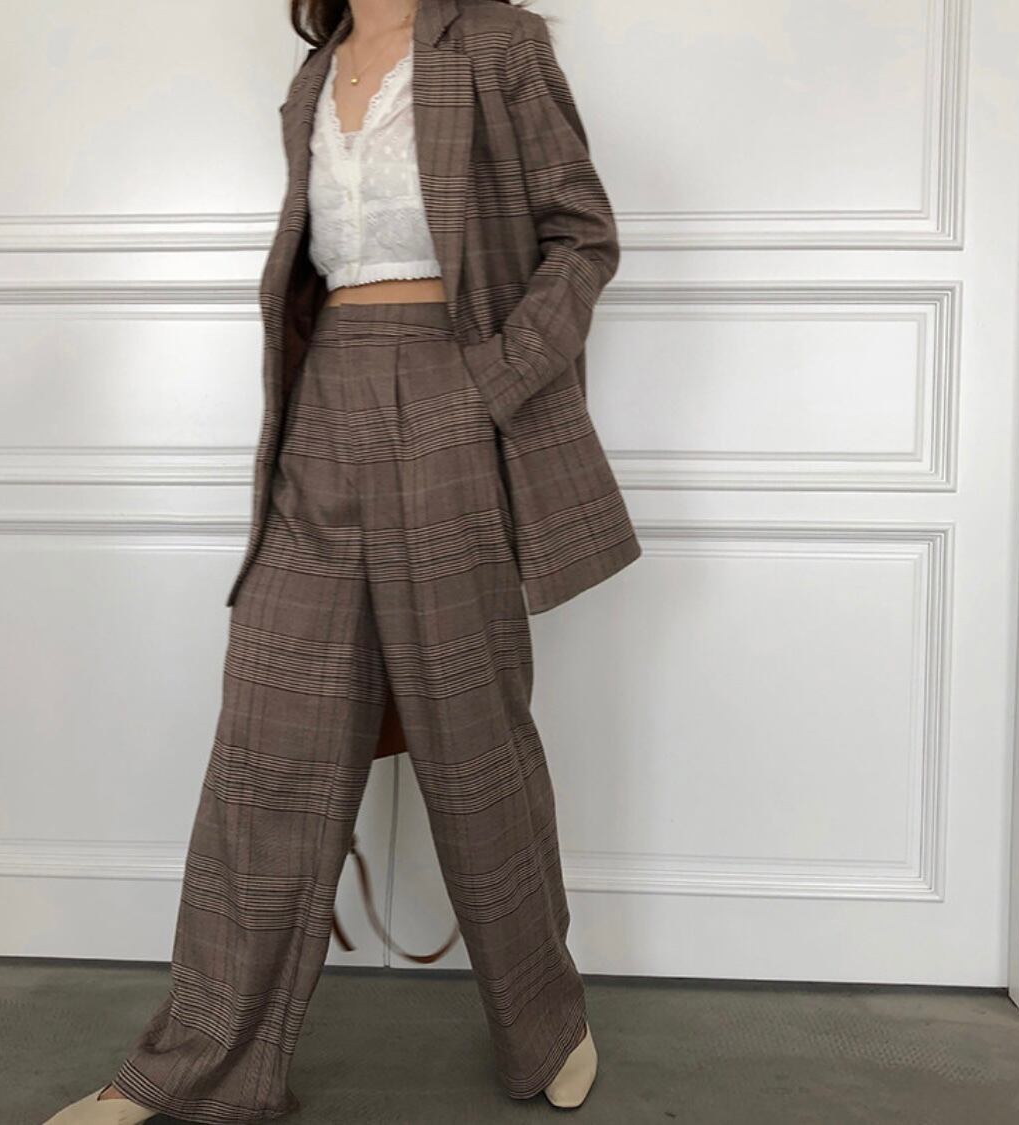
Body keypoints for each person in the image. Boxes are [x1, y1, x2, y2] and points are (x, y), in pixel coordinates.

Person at [44, 0, 639, 1121]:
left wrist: (491, 383)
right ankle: (196, 1061)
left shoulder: (498, 45)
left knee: (474, 738)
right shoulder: (315, 73)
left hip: (453, 397)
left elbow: (583, 236)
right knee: (265, 746)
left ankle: (547, 1020)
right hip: (324, 409)